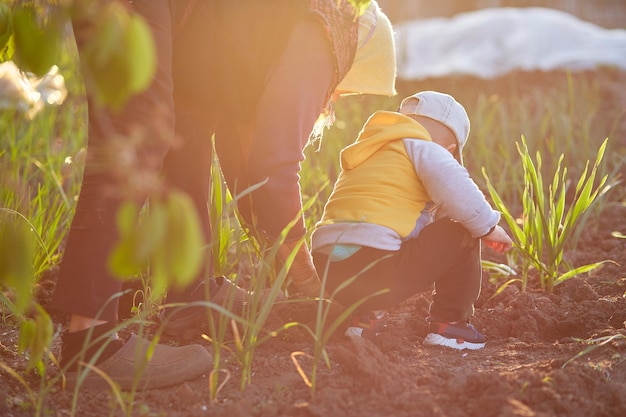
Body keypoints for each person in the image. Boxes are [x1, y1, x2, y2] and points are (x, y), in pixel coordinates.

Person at [51, 0, 396, 390]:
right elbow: (274, 166)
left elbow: (247, 163)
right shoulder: (333, 29)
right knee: (139, 126)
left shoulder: (273, 35)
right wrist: (308, 282)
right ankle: (90, 345)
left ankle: (191, 295)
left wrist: (280, 260)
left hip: (181, 20)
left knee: (187, 123)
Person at [311, 91, 513, 351]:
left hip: (330, 268)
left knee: (387, 237)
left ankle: (365, 319)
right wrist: (487, 227)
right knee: (462, 231)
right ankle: (450, 327)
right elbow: (456, 189)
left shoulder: (373, 152)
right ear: (449, 151)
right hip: (375, 266)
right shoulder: (424, 148)